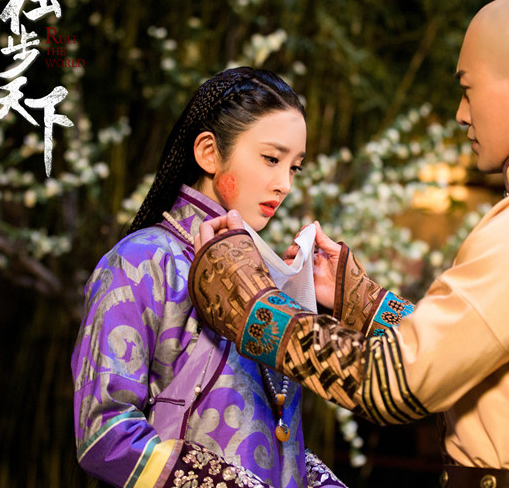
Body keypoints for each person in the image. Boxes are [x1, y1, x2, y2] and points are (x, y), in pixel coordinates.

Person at [189, 0, 509, 488]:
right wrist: (363, 302)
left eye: (467, 88)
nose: (462, 113)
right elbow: (489, 360)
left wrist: (252, 306)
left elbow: (393, 385)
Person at [70, 67, 346, 488]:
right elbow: (104, 432)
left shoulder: (266, 275)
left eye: (295, 168)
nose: (284, 184)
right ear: (209, 153)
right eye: (272, 159)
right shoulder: (141, 261)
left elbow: (271, 434)